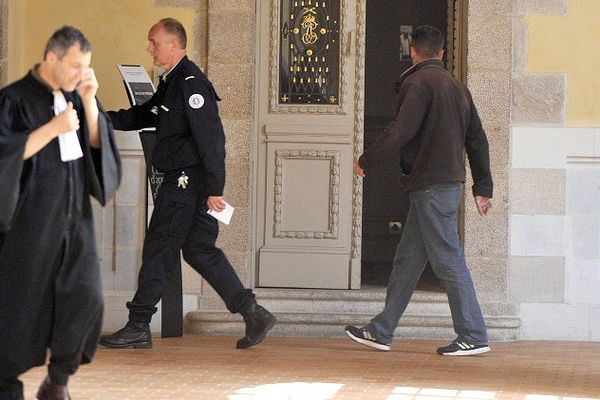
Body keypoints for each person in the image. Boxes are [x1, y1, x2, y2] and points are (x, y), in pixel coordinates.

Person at [100, 18, 276, 350]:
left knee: (159, 247)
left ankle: (138, 323)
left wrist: (214, 190)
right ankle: (253, 312)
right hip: (190, 183)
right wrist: (99, 118)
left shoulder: (191, 84)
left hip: (185, 183)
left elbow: (212, 141)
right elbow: (143, 115)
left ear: (174, 45)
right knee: (198, 249)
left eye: (154, 42)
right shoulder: (172, 82)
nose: (149, 48)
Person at [345, 25, 493, 356]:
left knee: (448, 261)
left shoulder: (417, 83)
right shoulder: (457, 88)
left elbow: (401, 130)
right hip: (441, 185)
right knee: (407, 261)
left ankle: (474, 333)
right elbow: (477, 139)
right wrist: (482, 186)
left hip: (430, 187)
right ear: (441, 53)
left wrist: (367, 159)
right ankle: (381, 330)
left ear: (413, 51)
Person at [0, 26, 121, 400]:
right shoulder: (13, 100)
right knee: (16, 314)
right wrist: (53, 128)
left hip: (75, 221)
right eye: (74, 66)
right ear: (50, 58)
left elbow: (99, 152)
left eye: (85, 66)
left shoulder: (78, 94)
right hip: (29, 227)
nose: (79, 73)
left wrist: (89, 101)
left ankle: (58, 380)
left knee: (87, 299)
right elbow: (5, 158)